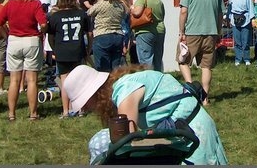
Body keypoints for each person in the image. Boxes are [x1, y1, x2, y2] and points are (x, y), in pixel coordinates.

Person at [62, 64, 228, 165]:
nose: (85, 109)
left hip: (193, 134)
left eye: (84, 104)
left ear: (94, 94)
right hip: (185, 132)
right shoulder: (123, 85)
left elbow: (127, 139)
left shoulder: (124, 90)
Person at [0, 0, 48, 121]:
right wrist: (42, 32)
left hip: (14, 40)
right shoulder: (35, 4)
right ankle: (33, 113)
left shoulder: (10, 4)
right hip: (31, 40)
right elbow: (43, 24)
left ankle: (12, 113)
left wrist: (7, 36)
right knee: (32, 80)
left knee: (14, 80)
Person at [177, 0, 224, 102]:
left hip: (192, 32)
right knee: (206, 67)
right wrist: (218, 32)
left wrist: (181, 31)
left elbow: (183, 12)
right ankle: (205, 98)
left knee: (183, 61)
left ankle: (191, 89)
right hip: (211, 33)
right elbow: (220, 16)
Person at [47, 0, 92, 118]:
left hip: (62, 50)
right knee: (79, 81)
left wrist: (54, 48)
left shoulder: (55, 16)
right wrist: (89, 48)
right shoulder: (82, 14)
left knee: (65, 81)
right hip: (78, 49)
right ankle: (80, 109)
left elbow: (50, 36)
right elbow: (89, 33)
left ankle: (66, 111)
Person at [87, 0, 127, 72]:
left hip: (102, 34)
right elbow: (124, 15)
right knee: (115, 68)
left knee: (103, 69)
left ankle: (105, 85)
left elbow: (89, 13)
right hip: (118, 36)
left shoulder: (100, 4)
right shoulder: (120, 6)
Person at [132, 0, 166, 71]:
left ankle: (148, 80)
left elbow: (137, 12)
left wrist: (131, 8)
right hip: (160, 30)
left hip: (145, 31)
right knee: (157, 59)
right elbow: (162, 15)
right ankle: (158, 78)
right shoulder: (158, 0)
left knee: (146, 59)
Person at [226, 0, 254, 66]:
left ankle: (246, 59)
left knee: (245, 41)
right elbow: (230, 8)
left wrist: (251, 19)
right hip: (235, 19)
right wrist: (229, 18)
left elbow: (250, 7)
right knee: (237, 41)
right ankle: (238, 59)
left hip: (245, 19)